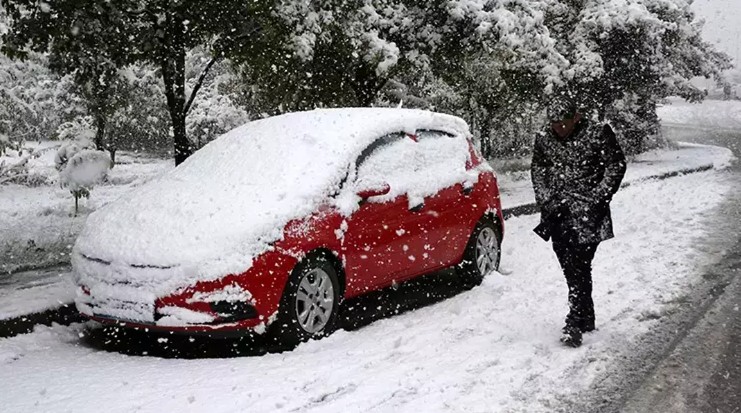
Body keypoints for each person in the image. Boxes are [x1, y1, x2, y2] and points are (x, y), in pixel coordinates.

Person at [531, 104, 627, 348]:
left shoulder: (598, 133)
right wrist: (545, 199)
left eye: (564, 121)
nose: (559, 127)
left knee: (579, 263)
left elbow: (616, 166)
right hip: (558, 214)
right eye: (554, 122)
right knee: (569, 264)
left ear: (576, 116)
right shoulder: (544, 138)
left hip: (588, 216)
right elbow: (538, 170)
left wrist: (597, 197)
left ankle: (574, 320)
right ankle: (586, 315)